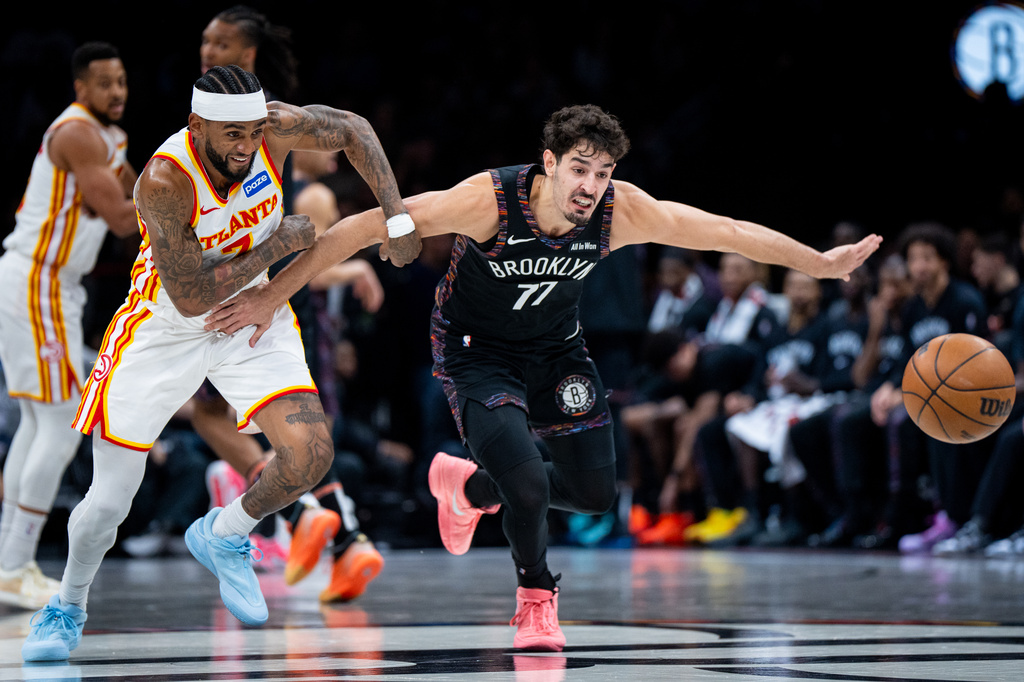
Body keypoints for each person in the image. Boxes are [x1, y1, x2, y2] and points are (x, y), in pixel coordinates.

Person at [204, 104, 881, 651]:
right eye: (580, 169)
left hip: (556, 351)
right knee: (527, 481)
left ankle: (465, 487)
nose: (591, 186)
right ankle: (536, 600)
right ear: (549, 163)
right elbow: (358, 227)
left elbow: (726, 232)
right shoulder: (490, 201)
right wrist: (270, 296)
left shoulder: (622, 211)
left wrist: (818, 263)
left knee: (593, 497)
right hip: (476, 352)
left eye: (605, 171)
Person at [19, 64, 419, 663]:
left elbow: (354, 130)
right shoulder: (162, 179)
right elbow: (189, 296)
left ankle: (225, 534)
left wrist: (397, 215)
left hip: (253, 312)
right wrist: (279, 243)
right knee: (108, 503)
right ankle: (67, 606)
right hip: (165, 327)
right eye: (232, 134)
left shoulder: (273, 129)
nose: (247, 145)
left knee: (312, 453)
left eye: (254, 131)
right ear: (196, 125)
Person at [191, 4, 387, 603]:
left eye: (218, 42)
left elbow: (318, 242)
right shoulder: (261, 130)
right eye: (203, 40)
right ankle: (349, 540)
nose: (205, 50)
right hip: (267, 305)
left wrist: (362, 252)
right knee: (297, 439)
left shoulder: (255, 125)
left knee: (247, 428)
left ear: (246, 56)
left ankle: (306, 517)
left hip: (260, 307)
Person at [0, 42, 139, 610]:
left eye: (123, 81)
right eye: (104, 83)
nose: (117, 92)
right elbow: (125, 216)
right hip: (40, 280)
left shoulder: (113, 138)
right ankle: (15, 565)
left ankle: (10, 561)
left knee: (39, 421)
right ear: (81, 89)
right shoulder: (78, 133)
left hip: (56, 286)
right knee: (58, 422)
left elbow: (139, 193)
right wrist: (193, 199)